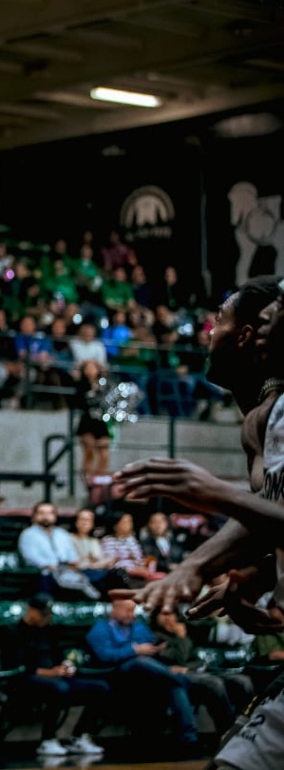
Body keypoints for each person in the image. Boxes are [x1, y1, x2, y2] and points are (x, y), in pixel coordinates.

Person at [112, 276, 284, 770]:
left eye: (219, 322)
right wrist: (254, 571)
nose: (208, 332)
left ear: (252, 336)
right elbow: (270, 517)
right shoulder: (262, 420)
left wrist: (214, 496)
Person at [0, 593, 108, 757]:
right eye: (43, 614)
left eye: (48, 614)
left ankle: (79, 736)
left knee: (101, 687)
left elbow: (58, 655)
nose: (46, 618)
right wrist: (49, 673)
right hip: (24, 681)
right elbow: (15, 665)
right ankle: (48, 739)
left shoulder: (49, 631)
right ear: (31, 611)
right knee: (58, 688)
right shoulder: (12, 631)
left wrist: (66, 665)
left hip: (54, 678)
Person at [85, 598, 199, 748]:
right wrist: (133, 650)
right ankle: (184, 679)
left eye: (133, 611)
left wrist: (154, 649)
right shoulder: (99, 629)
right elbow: (105, 656)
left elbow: (148, 642)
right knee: (141, 662)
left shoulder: (137, 626)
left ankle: (188, 738)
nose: (131, 615)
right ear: (115, 609)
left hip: (143, 675)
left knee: (173, 686)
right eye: (127, 610)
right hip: (115, 672)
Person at [150, 605, 253, 735]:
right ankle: (227, 731)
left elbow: (196, 659)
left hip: (198, 670)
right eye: (164, 615)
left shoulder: (187, 628)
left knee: (243, 681)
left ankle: (246, 726)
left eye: (171, 614)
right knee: (215, 683)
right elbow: (181, 658)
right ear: (156, 617)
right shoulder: (156, 637)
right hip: (179, 677)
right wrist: (181, 637)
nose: (169, 619)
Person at [18, 502, 100, 599]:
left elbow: (72, 556)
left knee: (98, 575)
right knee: (46, 577)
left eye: (50, 513)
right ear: (35, 516)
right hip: (44, 572)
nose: (46, 516)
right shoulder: (28, 534)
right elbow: (30, 557)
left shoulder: (62, 534)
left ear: (55, 516)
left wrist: (71, 563)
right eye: (41, 513)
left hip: (67, 570)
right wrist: (51, 565)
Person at [74, 359, 112, 485]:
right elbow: (79, 401)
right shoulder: (81, 385)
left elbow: (109, 399)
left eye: (93, 368)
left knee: (104, 450)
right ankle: (87, 476)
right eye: (88, 368)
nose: (90, 371)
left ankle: (100, 477)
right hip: (87, 420)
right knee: (89, 450)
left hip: (100, 420)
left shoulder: (104, 384)